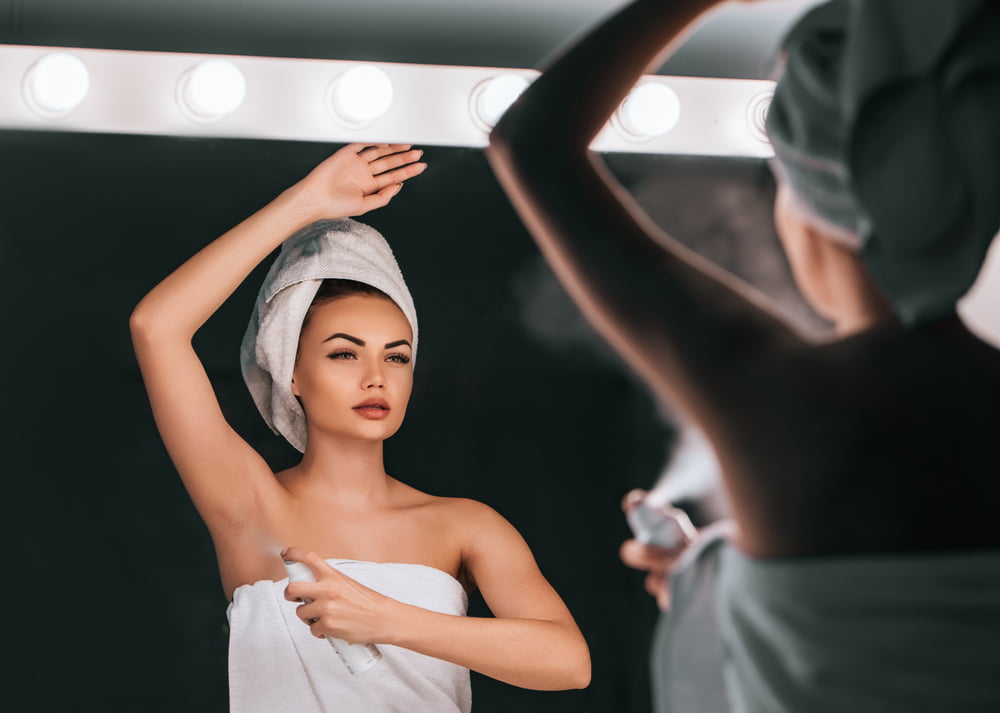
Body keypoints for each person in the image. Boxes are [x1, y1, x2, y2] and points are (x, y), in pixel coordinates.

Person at [487, 0, 1000, 710]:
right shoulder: (781, 411)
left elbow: (530, 141)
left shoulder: (779, 402)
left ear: (813, 211)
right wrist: (729, 570)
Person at [129, 142, 590, 713]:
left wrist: (386, 619)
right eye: (345, 355)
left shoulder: (464, 526)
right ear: (291, 371)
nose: (377, 378)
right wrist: (305, 203)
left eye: (396, 357)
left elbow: (568, 663)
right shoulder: (251, 506)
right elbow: (157, 327)